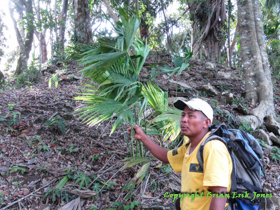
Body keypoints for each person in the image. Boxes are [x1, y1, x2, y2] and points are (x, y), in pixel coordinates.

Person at [127, 98, 233, 210]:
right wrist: (142, 137)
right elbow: (166, 156)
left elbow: (220, 193)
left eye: (191, 116)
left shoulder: (213, 148)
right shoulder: (190, 146)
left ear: (206, 123)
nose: (183, 120)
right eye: (183, 115)